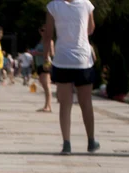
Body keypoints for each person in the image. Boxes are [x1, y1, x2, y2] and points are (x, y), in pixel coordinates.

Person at [43, 0, 100, 155]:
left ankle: (66, 143)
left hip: (62, 59)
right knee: (86, 103)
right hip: (82, 59)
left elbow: (48, 34)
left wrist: (46, 56)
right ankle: (91, 141)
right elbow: (91, 29)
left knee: (65, 104)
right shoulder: (86, 4)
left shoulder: (53, 6)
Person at [32, 26, 54, 112]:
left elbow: (51, 53)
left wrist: (39, 53)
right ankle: (47, 105)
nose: (42, 32)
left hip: (45, 64)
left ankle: (48, 106)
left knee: (46, 85)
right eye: (41, 30)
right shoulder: (41, 41)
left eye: (44, 30)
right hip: (39, 64)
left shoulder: (49, 41)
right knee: (43, 85)